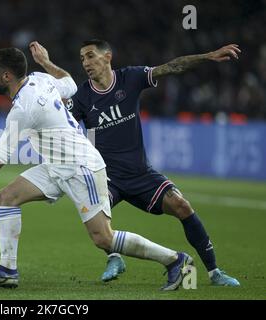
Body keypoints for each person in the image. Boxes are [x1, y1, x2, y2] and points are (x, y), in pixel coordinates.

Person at [0, 42, 193, 290]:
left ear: (7, 76)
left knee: (103, 238)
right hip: (55, 166)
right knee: (7, 196)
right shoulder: (39, 78)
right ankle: (7, 269)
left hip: (80, 166)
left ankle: (175, 260)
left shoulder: (23, 109)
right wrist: (45, 62)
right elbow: (70, 83)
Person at [40, 39, 239, 286]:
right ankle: (114, 256)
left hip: (140, 173)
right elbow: (62, 124)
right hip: (106, 176)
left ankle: (214, 272)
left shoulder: (130, 78)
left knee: (182, 206)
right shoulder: (82, 96)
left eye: (90, 56)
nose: (86, 63)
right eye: (82, 59)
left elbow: (172, 67)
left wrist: (208, 55)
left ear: (107, 56)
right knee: (98, 228)